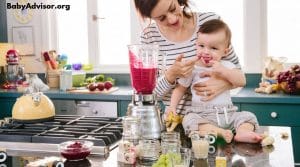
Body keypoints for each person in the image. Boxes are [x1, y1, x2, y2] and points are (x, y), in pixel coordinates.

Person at [168, 19, 262, 143]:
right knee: (189, 120)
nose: (206, 51)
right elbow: (180, 89)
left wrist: (223, 71)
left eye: (213, 48)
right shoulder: (193, 68)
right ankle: (220, 133)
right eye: (201, 46)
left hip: (228, 113)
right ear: (196, 44)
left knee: (248, 116)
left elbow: (242, 81)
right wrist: (172, 107)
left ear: (225, 51)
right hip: (202, 115)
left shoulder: (227, 65)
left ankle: (242, 132)